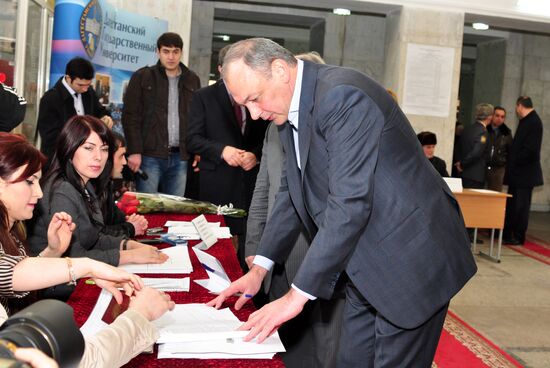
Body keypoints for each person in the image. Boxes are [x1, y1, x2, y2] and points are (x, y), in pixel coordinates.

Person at [208, 38, 477, 367]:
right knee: (350, 360)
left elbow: (348, 205)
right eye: (244, 105)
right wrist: (259, 268)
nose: (255, 113)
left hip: (410, 259)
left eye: (254, 98)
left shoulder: (341, 96)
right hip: (364, 262)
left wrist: (296, 296)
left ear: (279, 70)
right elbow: (291, 195)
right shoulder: (290, 110)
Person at [244, 51, 344, 368]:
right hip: (277, 252)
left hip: (313, 251)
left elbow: (339, 207)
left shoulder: (330, 126)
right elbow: (266, 190)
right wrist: (257, 251)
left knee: (325, 343)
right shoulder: (275, 124)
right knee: (284, 344)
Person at [28, 116, 167, 299]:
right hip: (55, 288)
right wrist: (129, 256)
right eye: (88, 148)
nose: (98, 157)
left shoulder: (84, 183)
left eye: (104, 149)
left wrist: (127, 244)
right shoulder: (62, 190)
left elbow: (94, 236)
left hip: (73, 278)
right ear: (69, 148)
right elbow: (75, 255)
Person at [187, 44, 269, 269]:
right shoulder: (203, 97)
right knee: (217, 242)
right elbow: (192, 139)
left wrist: (256, 155)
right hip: (217, 180)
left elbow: (269, 136)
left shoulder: (256, 94)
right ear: (220, 69)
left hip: (249, 180)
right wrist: (222, 151)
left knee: (250, 237)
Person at [122, 32, 201, 196]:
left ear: (181, 53)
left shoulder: (192, 79)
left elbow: (197, 118)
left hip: (181, 156)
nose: (171, 57)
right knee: (148, 209)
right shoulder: (142, 77)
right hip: (149, 156)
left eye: (175, 51)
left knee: (175, 209)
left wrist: (197, 150)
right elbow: (131, 116)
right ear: (158, 52)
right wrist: (134, 151)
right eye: (166, 51)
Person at [37, 57, 113, 160]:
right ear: (68, 78)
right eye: (80, 85)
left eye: (88, 85)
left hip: (85, 157)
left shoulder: (89, 92)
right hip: (59, 160)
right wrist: (79, 140)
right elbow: (49, 137)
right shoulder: (51, 99)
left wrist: (105, 118)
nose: (85, 89)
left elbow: (99, 111)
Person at [503, 96, 544, 246]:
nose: (516, 110)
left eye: (516, 107)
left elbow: (530, 150)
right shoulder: (527, 121)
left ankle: (518, 236)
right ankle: (510, 233)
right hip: (518, 174)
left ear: (519, 106)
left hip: (524, 174)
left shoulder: (533, 122)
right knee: (514, 205)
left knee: (520, 207)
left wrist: (515, 160)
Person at [102, 132, 148, 238]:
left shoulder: (106, 184)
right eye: (121, 156)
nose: (124, 162)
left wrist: (127, 220)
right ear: (107, 158)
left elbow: (113, 215)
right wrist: (130, 228)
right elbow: (97, 234)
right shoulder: (94, 187)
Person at [454, 103, 492, 189]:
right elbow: (476, 153)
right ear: (489, 117)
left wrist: (459, 163)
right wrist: (462, 164)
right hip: (475, 176)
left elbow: (458, 147)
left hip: (462, 173)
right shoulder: (483, 132)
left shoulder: (467, 129)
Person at [485, 106, 513, 192]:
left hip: (498, 171)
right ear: (492, 116)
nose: (499, 118)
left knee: (494, 197)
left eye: (502, 117)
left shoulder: (507, 133)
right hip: (483, 168)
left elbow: (510, 151)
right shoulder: (484, 129)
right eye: (497, 115)